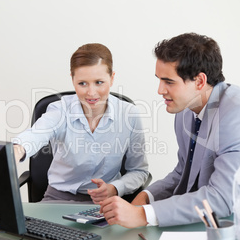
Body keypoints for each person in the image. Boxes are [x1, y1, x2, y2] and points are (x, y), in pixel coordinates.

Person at [100, 33, 240, 227]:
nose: (160, 90)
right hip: (202, 218)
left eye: (169, 82)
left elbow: (223, 199)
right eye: (159, 79)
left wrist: (144, 215)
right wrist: (146, 196)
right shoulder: (187, 109)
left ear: (200, 82)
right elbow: (184, 171)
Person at [12, 43, 149, 203]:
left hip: (106, 201)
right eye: (82, 83)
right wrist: (17, 150)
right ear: (72, 79)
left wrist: (115, 188)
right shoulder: (60, 109)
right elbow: (36, 134)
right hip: (57, 199)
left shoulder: (129, 114)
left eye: (99, 82)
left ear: (111, 79)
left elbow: (139, 171)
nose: (91, 93)